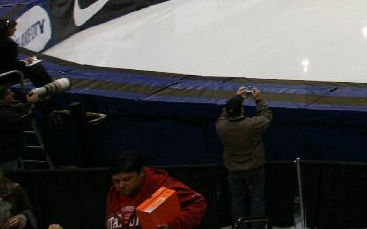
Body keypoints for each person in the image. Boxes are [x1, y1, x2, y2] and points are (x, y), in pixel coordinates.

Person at [104, 150, 207, 229]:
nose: (121, 185)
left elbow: (198, 203)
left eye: (127, 179)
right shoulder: (114, 193)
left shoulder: (162, 186)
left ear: (141, 173)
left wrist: (173, 225)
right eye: (116, 181)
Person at [216, 87, 272, 225]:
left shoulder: (221, 126)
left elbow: (224, 115)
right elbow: (267, 116)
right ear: (241, 110)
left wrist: (237, 99)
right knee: (257, 199)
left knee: (237, 200)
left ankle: (239, 226)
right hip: (254, 169)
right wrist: (258, 99)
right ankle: (257, 226)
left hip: (234, 170)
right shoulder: (252, 125)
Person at [0, 86, 40, 170]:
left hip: (1, 155)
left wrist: (28, 102)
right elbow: (23, 120)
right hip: (1, 158)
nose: (12, 93)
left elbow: (16, 108)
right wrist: (32, 104)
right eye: (9, 93)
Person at [0, 18, 53, 88]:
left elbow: (5, 62)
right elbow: (13, 65)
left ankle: (46, 91)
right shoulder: (9, 44)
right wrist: (26, 62)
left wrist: (23, 62)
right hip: (1, 77)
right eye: (13, 28)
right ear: (8, 29)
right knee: (36, 68)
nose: (15, 29)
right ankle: (50, 89)